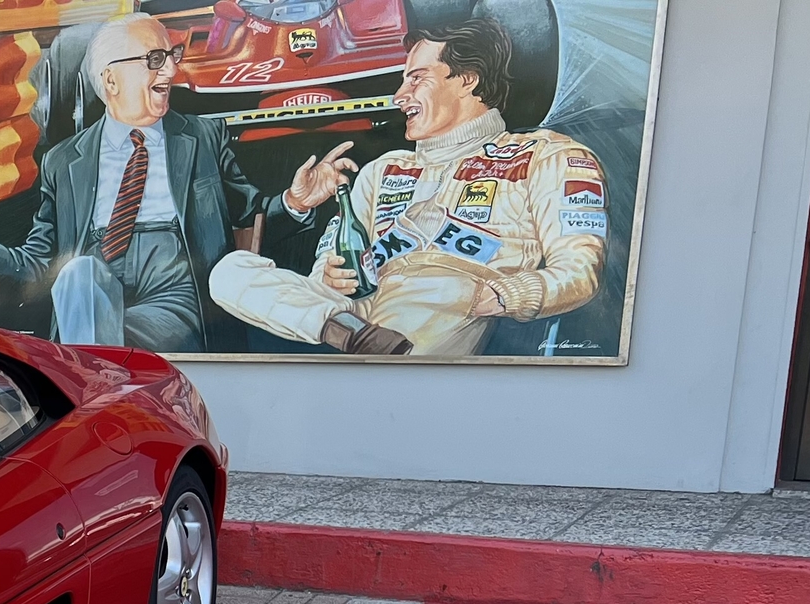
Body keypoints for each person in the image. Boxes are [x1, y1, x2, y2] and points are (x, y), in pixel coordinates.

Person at [208, 15, 606, 356]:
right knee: (230, 271)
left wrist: (500, 296)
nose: (399, 96)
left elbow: (579, 271)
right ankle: (359, 339)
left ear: (467, 79)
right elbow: (324, 271)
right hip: (361, 315)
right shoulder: (384, 169)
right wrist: (329, 275)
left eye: (416, 79)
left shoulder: (548, 155)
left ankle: (373, 355)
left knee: (433, 297)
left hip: (453, 299)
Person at [0, 14, 356, 352]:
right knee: (78, 274)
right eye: (154, 60)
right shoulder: (63, 161)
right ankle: (104, 388)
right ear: (111, 80)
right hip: (92, 284)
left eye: (172, 55)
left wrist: (296, 200)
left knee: (91, 345)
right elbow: (43, 260)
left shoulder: (203, 138)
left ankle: (94, 395)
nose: (171, 71)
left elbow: (250, 218)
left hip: (175, 287)